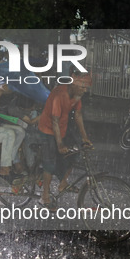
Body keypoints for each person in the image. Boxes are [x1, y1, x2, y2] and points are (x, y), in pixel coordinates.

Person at [37, 72, 92, 209]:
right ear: (74, 84)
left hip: (63, 128)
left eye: (86, 88)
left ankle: (62, 184)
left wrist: (85, 138)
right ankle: (44, 197)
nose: (85, 91)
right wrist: (60, 144)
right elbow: (54, 121)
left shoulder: (77, 95)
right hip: (48, 130)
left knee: (75, 153)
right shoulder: (59, 95)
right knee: (49, 163)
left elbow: (78, 115)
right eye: (83, 87)